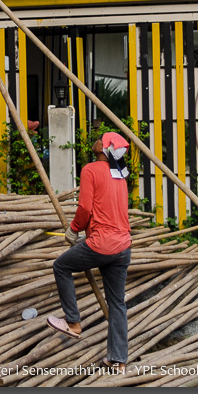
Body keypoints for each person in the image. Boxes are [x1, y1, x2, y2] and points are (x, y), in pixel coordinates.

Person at [46, 131, 132, 374]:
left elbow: (85, 208)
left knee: (61, 266)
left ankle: (73, 322)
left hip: (102, 244)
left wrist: (73, 230)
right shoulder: (120, 175)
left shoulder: (91, 169)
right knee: (117, 303)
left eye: (101, 138)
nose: (96, 139)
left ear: (105, 149)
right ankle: (118, 360)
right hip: (123, 246)